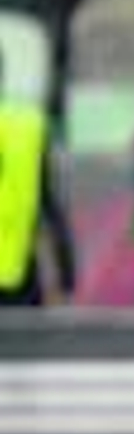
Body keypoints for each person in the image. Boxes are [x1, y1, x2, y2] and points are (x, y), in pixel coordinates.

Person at [0, 42, 75, 306]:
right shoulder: (28, 126)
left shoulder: (27, 127)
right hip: (18, 277)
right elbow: (51, 205)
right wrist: (67, 276)